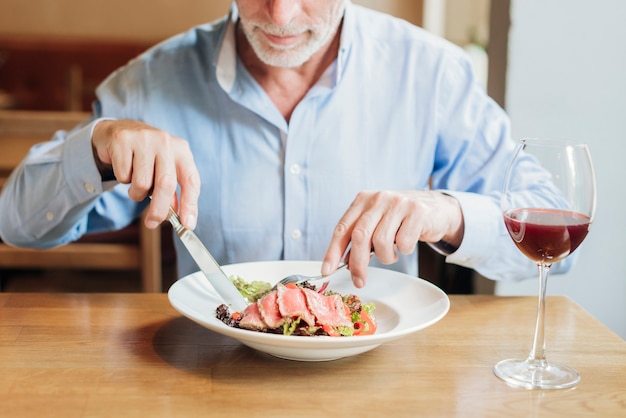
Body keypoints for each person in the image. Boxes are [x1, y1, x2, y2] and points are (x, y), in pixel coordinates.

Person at [0, 0, 556, 288]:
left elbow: (552, 226)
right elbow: (15, 224)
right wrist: (96, 146)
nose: (281, 15)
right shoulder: (148, 83)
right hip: (210, 377)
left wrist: (450, 212)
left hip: (382, 387)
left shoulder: (430, 73)